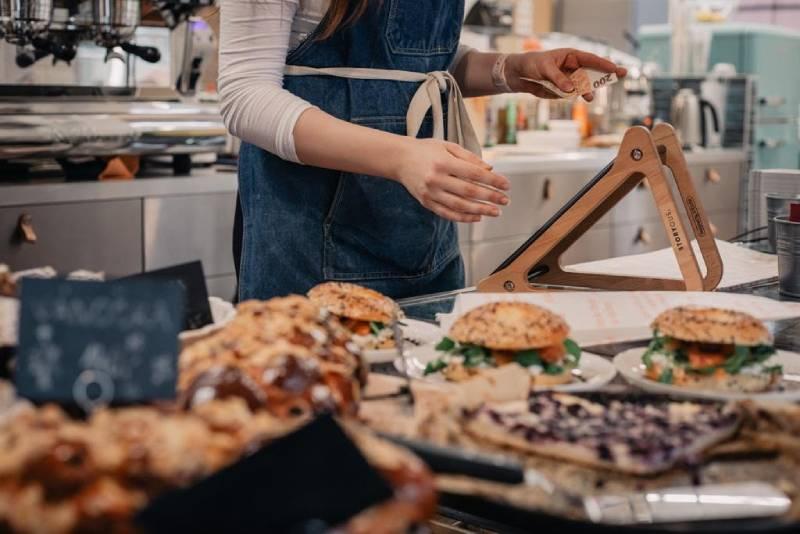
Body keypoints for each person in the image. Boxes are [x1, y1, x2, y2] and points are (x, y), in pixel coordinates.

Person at [219, 0, 627, 301]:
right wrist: (401, 158)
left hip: (422, 239)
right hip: (306, 238)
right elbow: (245, 95)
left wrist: (512, 69)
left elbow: (413, 65)